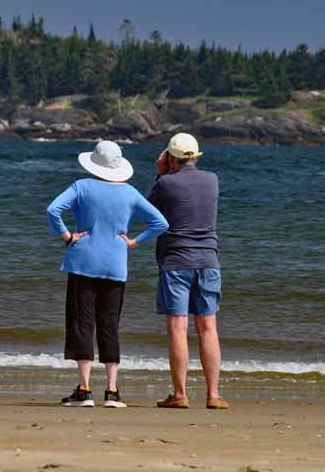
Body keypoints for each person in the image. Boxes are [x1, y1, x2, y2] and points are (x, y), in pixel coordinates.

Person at [47, 140, 168, 408]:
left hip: (82, 262)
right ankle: (112, 391)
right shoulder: (131, 193)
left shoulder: (82, 186)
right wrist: (135, 241)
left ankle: (84, 390)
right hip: (115, 264)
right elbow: (161, 223)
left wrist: (67, 236)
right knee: (109, 324)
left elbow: (53, 210)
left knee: (82, 322)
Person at [148, 133, 229, 410]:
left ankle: (180, 393)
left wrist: (160, 174)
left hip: (176, 262)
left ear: (171, 158)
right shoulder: (212, 180)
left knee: (178, 329)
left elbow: (149, 210)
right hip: (208, 260)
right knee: (208, 328)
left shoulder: (166, 183)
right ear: (195, 156)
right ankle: (214, 394)